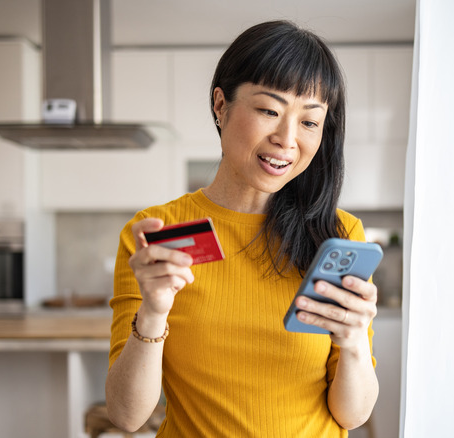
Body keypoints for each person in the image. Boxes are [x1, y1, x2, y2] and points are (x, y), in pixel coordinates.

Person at [105, 20, 379, 437]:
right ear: (221, 105)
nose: (287, 139)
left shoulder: (338, 234)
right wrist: (154, 311)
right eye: (269, 110)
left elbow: (352, 415)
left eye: (309, 122)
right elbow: (127, 416)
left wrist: (356, 341)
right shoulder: (159, 234)